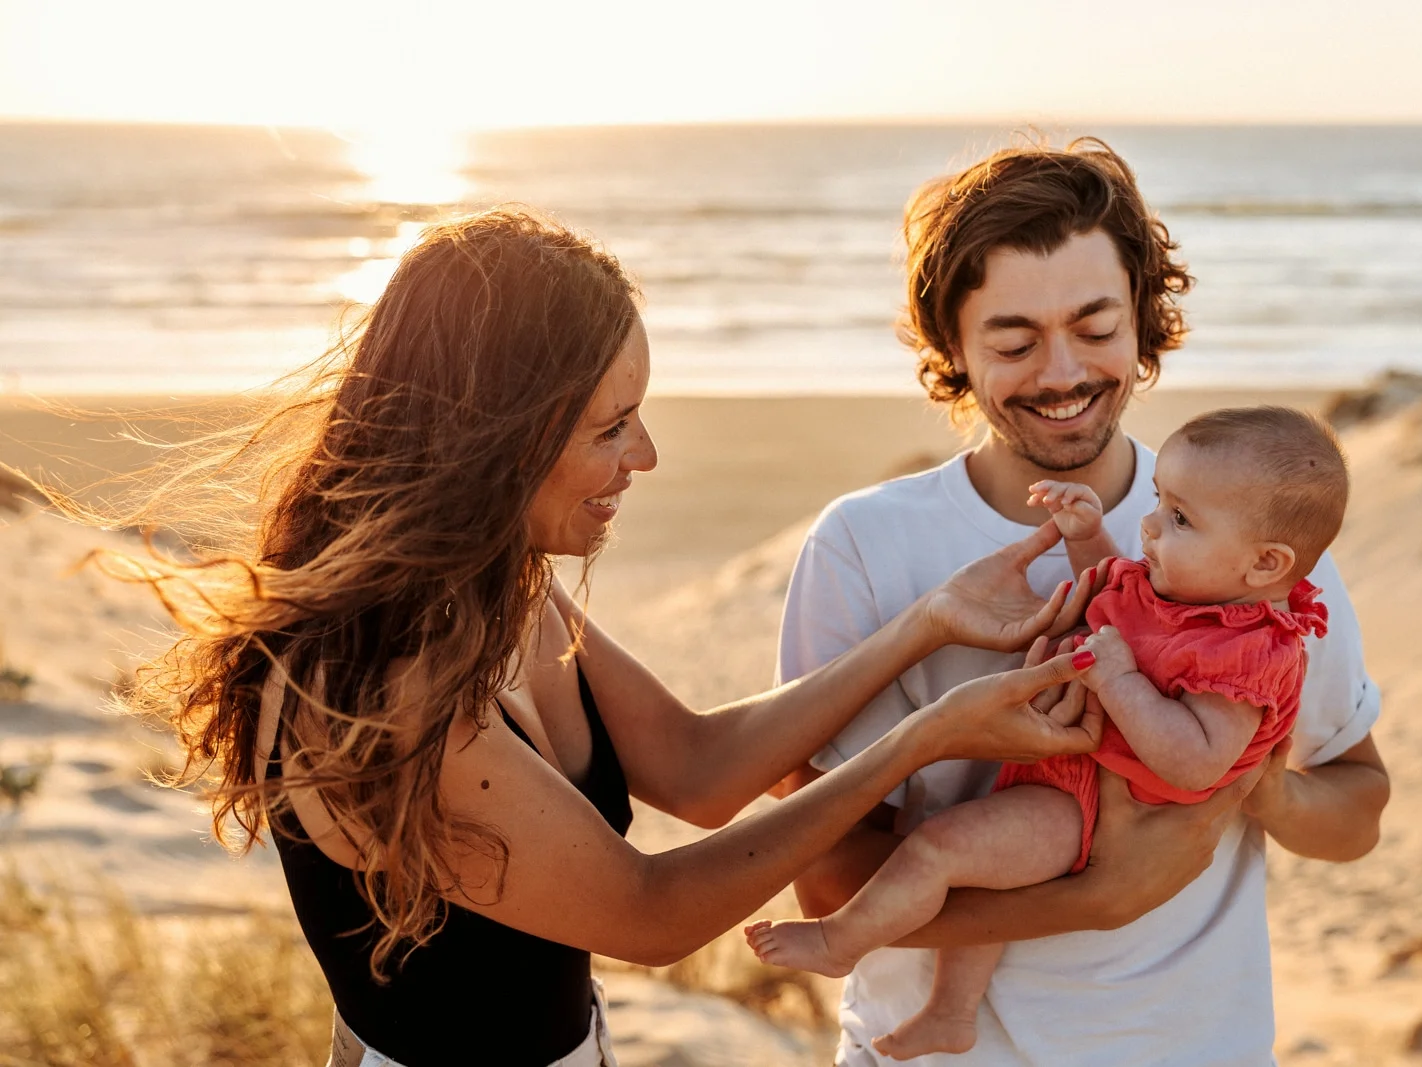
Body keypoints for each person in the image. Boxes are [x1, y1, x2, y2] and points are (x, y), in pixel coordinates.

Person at [74, 209, 1121, 1067]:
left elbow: (698, 767)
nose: (647, 455)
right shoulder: (383, 684)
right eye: (612, 425)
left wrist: (923, 626)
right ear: (496, 433)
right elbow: (651, 913)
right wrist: (927, 734)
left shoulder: (498, 586)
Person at [774, 140, 1390, 1065]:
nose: (1062, 374)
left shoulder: (1257, 545)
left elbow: (1355, 803)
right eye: (1015, 343)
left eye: (1097, 329)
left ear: (1146, 321)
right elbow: (826, 883)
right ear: (953, 346)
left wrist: (1246, 785)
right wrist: (1103, 893)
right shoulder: (865, 546)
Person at [750, 405, 1347, 1059]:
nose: (1149, 526)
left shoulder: (1250, 653)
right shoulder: (1173, 590)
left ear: (1265, 564)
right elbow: (1107, 598)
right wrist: (1085, 534)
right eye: (1158, 501)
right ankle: (951, 1012)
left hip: (1107, 810)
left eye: (1179, 518)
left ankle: (841, 941)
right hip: (1073, 775)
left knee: (940, 847)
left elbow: (1196, 762)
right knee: (977, 867)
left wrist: (1118, 679)